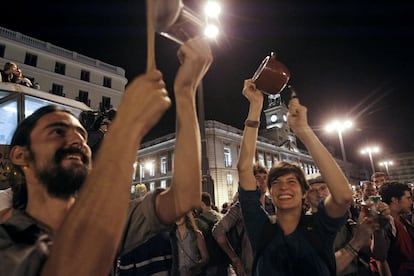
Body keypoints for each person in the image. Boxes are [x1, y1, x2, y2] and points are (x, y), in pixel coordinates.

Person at [0, 36, 212, 276]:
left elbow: (184, 196)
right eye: (57, 131)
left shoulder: (100, 218)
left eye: (81, 134)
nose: (77, 140)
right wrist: (127, 128)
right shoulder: (7, 235)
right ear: (20, 154)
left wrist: (185, 92)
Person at [237, 79, 353, 275]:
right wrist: (255, 107)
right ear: (270, 192)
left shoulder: (319, 227)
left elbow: (343, 197)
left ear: (304, 193)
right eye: (276, 182)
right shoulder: (260, 228)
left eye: (292, 182)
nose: (283, 187)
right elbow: (243, 168)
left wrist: (304, 131)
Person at [212, 164, 276, 276]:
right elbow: (218, 231)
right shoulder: (240, 207)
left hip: (272, 264)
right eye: (257, 178)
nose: (262, 181)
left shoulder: (273, 204)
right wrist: (235, 258)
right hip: (250, 266)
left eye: (264, 177)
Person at [372, 182, 414, 276]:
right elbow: (381, 259)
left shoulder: (404, 221)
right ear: (394, 200)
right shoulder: (386, 225)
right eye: (407, 198)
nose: (411, 202)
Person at [195, 192, 228, 276]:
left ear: (202, 204)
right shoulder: (220, 216)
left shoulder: (199, 221)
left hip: (211, 261)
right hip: (224, 259)